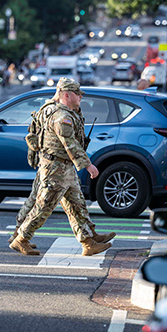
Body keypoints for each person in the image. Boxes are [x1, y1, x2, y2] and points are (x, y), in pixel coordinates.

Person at [10, 78, 112, 257]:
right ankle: (21, 239)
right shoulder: (61, 116)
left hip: (62, 166)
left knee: (77, 204)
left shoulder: (52, 108)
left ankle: (89, 240)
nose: (81, 97)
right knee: (44, 206)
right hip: (55, 169)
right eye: (77, 94)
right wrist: (87, 165)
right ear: (66, 94)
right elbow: (70, 143)